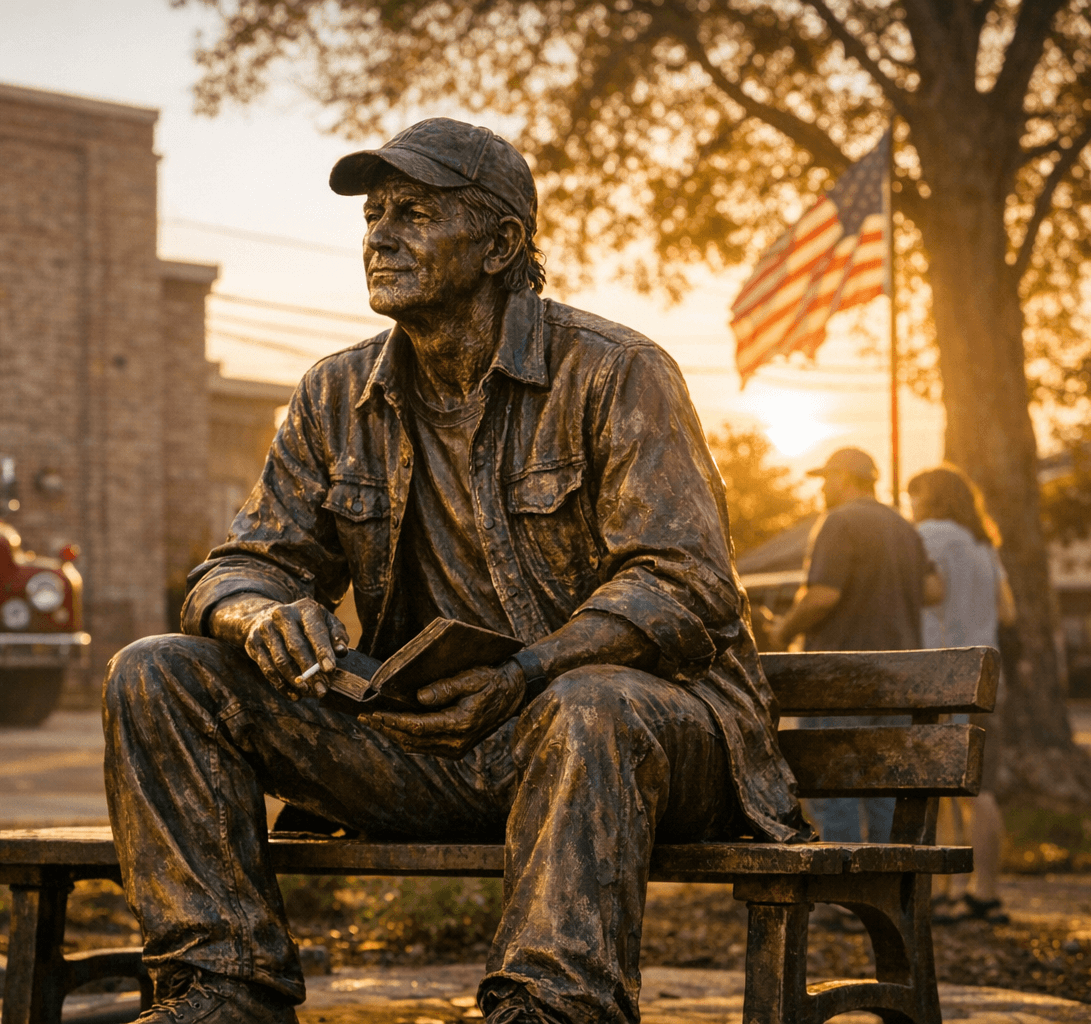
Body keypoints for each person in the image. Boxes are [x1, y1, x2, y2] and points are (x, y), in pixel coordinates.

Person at [102, 118, 811, 1024]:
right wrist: (258, 615)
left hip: (642, 746)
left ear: (501, 244)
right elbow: (240, 564)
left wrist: (528, 671)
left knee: (587, 705)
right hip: (431, 745)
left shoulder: (615, 372)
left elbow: (684, 583)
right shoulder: (333, 395)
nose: (381, 236)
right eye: (373, 216)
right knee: (157, 671)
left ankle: (552, 1007)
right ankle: (225, 984)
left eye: (414, 214)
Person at [771, 447, 938, 845]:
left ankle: (836, 895)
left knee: (835, 788)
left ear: (845, 477)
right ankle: (880, 888)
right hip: (898, 680)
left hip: (841, 678)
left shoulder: (839, 522)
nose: (823, 488)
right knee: (882, 787)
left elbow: (822, 596)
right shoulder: (906, 528)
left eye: (826, 479)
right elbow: (934, 590)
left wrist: (783, 630)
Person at [908, 465, 1015, 925]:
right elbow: (1007, 611)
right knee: (979, 787)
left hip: (943, 673)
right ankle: (982, 890)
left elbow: (929, 591)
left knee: (951, 789)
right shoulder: (982, 544)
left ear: (930, 498)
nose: (910, 505)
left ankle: (949, 890)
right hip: (987, 673)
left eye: (915, 496)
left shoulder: (929, 535)